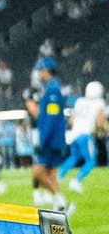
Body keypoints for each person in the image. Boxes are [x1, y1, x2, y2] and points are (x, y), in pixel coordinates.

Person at [26, 57, 71, 211]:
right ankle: (59, 207)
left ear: (47, 70)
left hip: (51, 139)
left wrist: (44, 138)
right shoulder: (52, 88)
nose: (38, 73)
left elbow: (51, 118)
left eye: (40, 70)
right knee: (50, 174)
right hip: (54, 138)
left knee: (38, 172)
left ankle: (61, 202)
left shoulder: (52, 90)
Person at [58, 80, 106, 193]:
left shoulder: (79, 101)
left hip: (75, 134)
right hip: (85, 135)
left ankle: (59, 176)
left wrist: (78, 128)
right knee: (91, 161)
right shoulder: (99, 103)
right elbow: (100, 121)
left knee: (75, 157)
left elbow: (71, 119)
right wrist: (97, 130)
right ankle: (76, 181)